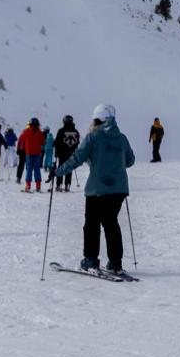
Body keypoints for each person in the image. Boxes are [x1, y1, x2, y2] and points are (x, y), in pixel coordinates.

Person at [56, 104, 135, 273]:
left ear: (98, 119)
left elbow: (77, 158)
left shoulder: (93, 137)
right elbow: (130, 161)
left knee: (92, 224)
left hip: (97, 190)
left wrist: (59, 171)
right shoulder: (122, 138)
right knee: (111, 223)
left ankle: (91, 260)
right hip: (119, 189)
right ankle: (115, 263)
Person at [17, 117, 46, 191]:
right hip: (37, 153)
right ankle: (38, 186)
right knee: (37, 169)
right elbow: (43, 142)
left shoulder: (26, 131)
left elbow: (20, 139)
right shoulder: (39, 132)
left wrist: (20, 148)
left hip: (29, 153)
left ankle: (28, 186)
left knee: (29, 169)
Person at [54, 115, 81, 192]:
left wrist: (56, 152)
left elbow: (57, 143)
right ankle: (67, 185)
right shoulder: (76, 132)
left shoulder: (61, 131)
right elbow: (77, 142)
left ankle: (59, 185)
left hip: (62, 153)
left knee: (61, 168)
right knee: (69, 168)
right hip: (71, 153)